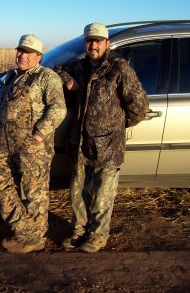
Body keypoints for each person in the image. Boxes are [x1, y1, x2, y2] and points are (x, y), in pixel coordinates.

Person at [54, 23, 149, 253]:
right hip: (81, 143)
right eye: (89, 41)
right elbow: (57, 68)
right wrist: (67, 78)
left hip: (108, 145)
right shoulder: (80, 67)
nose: (93, 45)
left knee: (102, 195)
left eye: (98, 41)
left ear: (107, 43)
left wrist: (117, 126)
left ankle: (97, 236)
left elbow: (139, 106)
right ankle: (79, 231)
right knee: (78, 192)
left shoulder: (119, 68)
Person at [0, 34, 67, 254]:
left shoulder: (46, 77)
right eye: (20, 51)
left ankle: (34, 239)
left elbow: (58, 109)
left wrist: (39, 134)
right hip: (5, 145)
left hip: (33, 147)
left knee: (35, 193)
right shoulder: (12, 77)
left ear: (39, 57)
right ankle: (25, 232)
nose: (21, 55)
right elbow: (0, 106)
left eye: (27, 52)